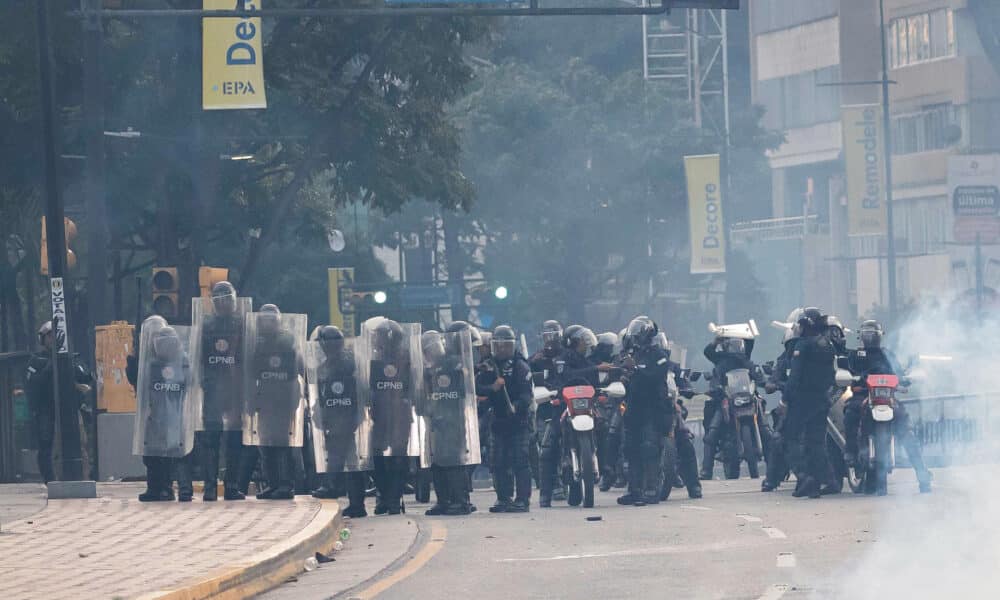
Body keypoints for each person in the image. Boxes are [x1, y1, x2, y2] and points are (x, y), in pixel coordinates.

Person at [844, 320, 932, 494]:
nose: (870, 337)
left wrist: (906, 378)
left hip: (887, 397)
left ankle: (923, 475)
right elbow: (848, 371)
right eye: (867, 333)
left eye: (873, 333)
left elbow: (898, 373)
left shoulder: (887, 354)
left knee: (906, 428)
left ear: (879, 336)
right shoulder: (855, 355)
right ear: (861, 336)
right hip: (863, 395)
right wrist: (852, 378)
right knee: (850, 413)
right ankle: (851, 452)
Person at [539, 325, 608, 507]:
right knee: (548, 448)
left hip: (586, 408)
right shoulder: (562, 359)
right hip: (563, 407)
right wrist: (596, 369)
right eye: (582, 341)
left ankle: (607, 467)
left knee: (605, 429)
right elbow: (567, 376)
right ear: (573, 342)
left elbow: (595, 380)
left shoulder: (586, 360)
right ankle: (545, 495)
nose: (585, 345)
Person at [193, 281, 249, 501]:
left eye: (228, 298)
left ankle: (231, 485)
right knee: (210, 439)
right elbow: (199, 358)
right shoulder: (206, 326)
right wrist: (204, 382)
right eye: (221, 299)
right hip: (213, 387)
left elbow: (246, 357)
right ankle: (209, 487)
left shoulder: (241, 324)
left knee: (235, 438)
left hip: (235, 388)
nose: (225, 303)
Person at [307, 325, 371, 517]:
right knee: (350, 461)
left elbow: (350, 392)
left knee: (349, 461)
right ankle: (352, 501)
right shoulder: (339, 363)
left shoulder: (344, 364)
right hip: (343, 419)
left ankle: (344, 495)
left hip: (346, 418)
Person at [245, 304, 306, 500]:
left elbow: (299, 368)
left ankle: (285, 484)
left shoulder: (288, 341)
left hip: (283, 399)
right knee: (265, 444)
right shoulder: (257, 343)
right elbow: (251, 372)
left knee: (281, 443)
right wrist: (252, 399)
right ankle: (272, 483)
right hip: (265, 398)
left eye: (271, 320)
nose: (267, 324)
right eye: (264, 320)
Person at [25, 321, 94, 484]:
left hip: (70, 410)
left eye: (56, 334)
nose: (53, 338)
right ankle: (50, 480)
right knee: (46, 447)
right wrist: (52, 361)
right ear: (42, 339)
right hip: (46, 410)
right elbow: (35, 383)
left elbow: (86, 376)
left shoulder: (72, 357)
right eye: (49, 335)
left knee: (81, 444)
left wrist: (66, 358)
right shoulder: (36, 361)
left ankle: (83, 477)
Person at [421, 329, 480, 515]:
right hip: (436, 421)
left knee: (455, 461)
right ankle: (443, 500)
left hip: (454, 420)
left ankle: (460, 501)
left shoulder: (454, 364)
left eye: (433, 347)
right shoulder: (431, 370)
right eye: (427, 350)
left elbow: (463, 392)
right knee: (437, 463)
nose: (431, 352)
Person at [135, 323, 196, 502]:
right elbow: (141, 389)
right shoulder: (151, 364)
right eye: (160, 343)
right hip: (156, 416)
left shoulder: (183, 362)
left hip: (177, 416)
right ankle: (157, 489)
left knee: (179, 455)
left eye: (168, 342)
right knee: (152, 455)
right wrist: (132, 365)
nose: (164, 346)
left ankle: (184, 490)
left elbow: (191, 385)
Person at [366, 317, 421, 515]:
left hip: (400, 416)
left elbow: (413, 386)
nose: (375, 340)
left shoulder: (405, 358)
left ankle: (395, 500)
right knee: (376, 457)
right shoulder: (373, 359)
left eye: (379, 336)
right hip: (379, 416)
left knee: (398, 458)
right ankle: (384, 495)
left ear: (389, 337)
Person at [617, 317, 672, 506]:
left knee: (649, 447)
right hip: (634, 406)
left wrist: (636, 370)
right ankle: (634, 490)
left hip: (653, 407)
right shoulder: (631, 355)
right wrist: (620, 376)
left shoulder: (659, 355)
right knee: (631, 448)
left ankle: (651, 489)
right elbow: (620, 373)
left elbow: (654, 376)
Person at [784, 308, 835, 499]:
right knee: (816, 443)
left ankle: (804, 476)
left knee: (791, 439)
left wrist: (785, 399)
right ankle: (825, 481)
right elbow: (832, 375)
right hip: (822, 400)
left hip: (802, 400)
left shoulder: (802, 346)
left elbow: (795, 376)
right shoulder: (827, 346)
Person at [482, 325, 533, 513]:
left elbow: (527, 395)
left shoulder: (521, 366)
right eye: (499, 345)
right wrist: (492, 388)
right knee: (497, 461)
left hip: (518, 422)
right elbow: (478, 386)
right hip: (497, 421)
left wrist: (517, 406)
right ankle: (503, 498)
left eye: (506, 345)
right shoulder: (489, 365)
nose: (502, 349)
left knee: (520, 460)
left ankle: (522, 500)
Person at [701, 333, 760, 480]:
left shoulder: (746, 361)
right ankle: (706, 470)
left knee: (766, 428)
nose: (735, 348)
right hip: (726, 399)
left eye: (737, 344)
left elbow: (757, 375)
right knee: (711, 433)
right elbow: (708, 352)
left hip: (747, 398)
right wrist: (715, 341)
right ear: (726, 346)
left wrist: (764, 381)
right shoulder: (720, 360)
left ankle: (774, 465)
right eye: (731, 344)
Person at [761, 310, 801, 492]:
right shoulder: (785, 359)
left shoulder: (819, 349)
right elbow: (777, 374)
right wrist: (773, 383)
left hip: (821, 401)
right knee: (777, 438)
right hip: (793, 403)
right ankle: (772, 478)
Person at [529, 320, 563, 496]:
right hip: (546, 409)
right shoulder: (536, 360)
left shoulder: (567, 355)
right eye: (547, 336)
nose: (551, 340)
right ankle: (552, 485)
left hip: (565, 408)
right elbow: (527, 382)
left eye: (554, 336)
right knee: (546, 448)